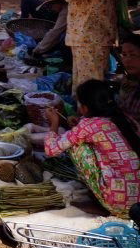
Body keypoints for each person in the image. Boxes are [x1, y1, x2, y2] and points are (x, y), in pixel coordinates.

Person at [45, 79, 140, 218]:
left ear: (85, 107)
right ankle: (104, 196)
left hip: (121, 206)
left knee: (78, 147)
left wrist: (54, 123)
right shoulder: (123, 116)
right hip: (136, 204)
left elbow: (51, 150)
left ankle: (103, 203)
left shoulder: (89, 125)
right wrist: (78, 124)